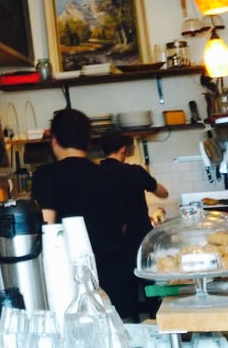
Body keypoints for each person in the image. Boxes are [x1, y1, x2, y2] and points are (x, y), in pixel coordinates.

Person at [30, 109, 135, 319]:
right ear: (87, 141)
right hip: (116, 277)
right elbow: (124, 224)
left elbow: (47, 228)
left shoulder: (46, 176)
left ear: (54, 140)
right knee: (121, 334)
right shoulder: (110, 174)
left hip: (73, 282)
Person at [98, 131, 169, 317]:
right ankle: (157, 321)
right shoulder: (135, 172)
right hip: (141, 242)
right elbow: (163, 193)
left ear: (102, 151)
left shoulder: (94, 174)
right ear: (123, 149)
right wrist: (149, 182)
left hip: (113, 246)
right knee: (152, 290)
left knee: (123, 302)